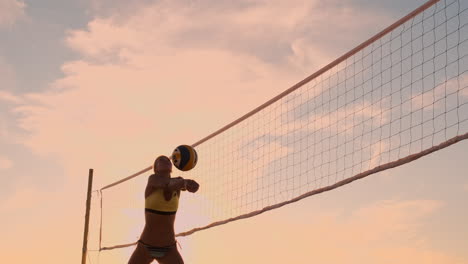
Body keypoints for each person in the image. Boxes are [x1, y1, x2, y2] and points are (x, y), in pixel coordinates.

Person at [128, 155, 200, 264]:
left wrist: (191, 184)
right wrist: (185, 183)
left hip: (169, 248)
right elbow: (167, 185)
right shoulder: (152, 179)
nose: (165, 160)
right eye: (161, 160)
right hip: (146, 246)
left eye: (167, 160)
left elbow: (178, 183)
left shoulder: (179, 181)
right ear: (155, 168)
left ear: (172, 167)